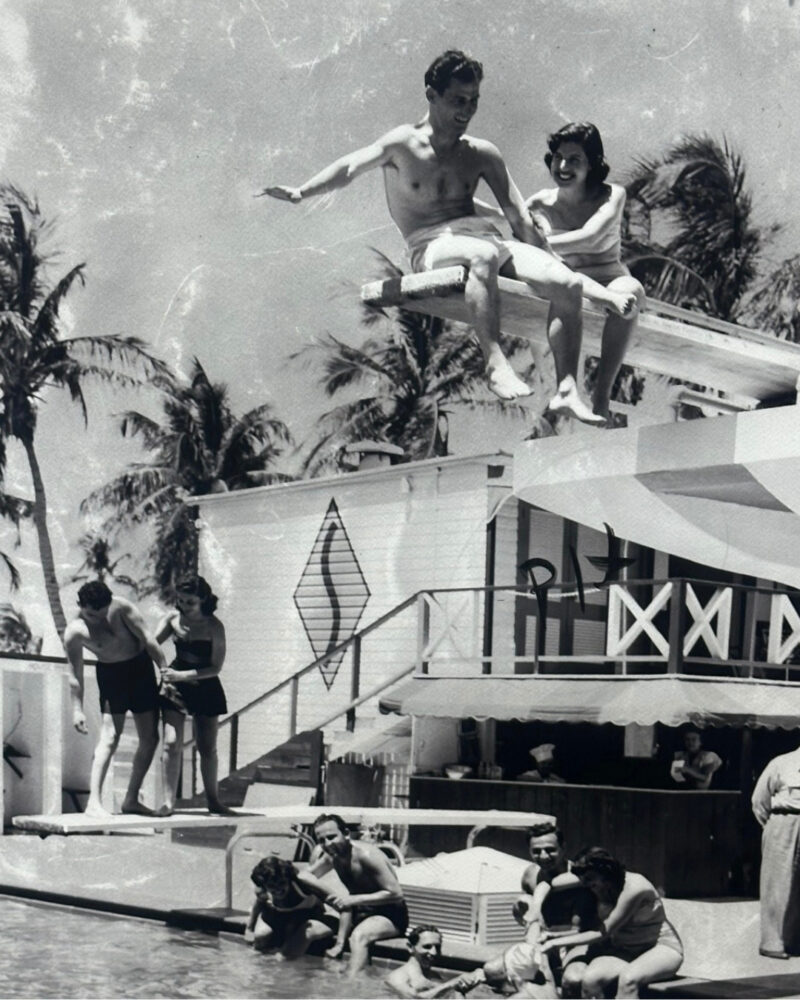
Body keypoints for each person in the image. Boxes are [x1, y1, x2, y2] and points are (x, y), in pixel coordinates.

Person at [261, 50, 635, 422]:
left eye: (474, 101)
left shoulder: (482, 153)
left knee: (566, 282)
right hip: (432, 243)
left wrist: (558, 264)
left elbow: (519, 219)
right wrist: (301, 192)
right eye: (458, 100)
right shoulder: (402, 144)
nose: (467, 110)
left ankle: (567, 389)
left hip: (490, 241)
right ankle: (494, 364)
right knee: (481, 256)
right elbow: (350, 166)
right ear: (431, 94)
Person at [526, 122, 646, 421]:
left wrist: (542, 242)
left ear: (592, 164)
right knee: (565, 284)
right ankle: (567, 390)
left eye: (574, 159)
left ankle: (602, 392)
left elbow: (590, 237)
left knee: (631, 292)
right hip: (569, 281)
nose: (563, 166)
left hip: (609, 276)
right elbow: (520, 243)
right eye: (558, 157)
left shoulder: (611, 194)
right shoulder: (538, 203)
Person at [64, 580, 165, 816]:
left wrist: (164, 670)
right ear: (80, 605)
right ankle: (94, 803)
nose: (98, 619)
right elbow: (74, 675)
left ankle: (131, 800)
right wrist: (77, 709)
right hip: (112, 677)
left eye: (101, 613)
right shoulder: (75, 632)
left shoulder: (121, 608)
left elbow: (148, 638)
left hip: (140, 670)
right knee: (110, 737)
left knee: (150, 738)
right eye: (91, 614)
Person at [543, 848, 682, 999]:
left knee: (628, 980)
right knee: (590, 980)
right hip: (624, 950)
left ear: (606, 873)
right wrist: (536, 908)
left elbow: (603, 931)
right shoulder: (592, 879)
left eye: (590, 880)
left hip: (659, 949)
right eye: (584, 881)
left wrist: (555, 943)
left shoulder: (635, 887)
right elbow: (551, 884)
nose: (587, 885)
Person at [297, 812, 409, 976]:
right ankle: (293, 974)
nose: (328, 844)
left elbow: (396, 893)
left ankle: (352, 986)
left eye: (332, 837)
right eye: (322, 840)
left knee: (358, 937)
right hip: (357, 912)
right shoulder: (332, 856)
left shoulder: (367, 856)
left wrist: (352, 899)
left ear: (346, 834)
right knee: (308, 931)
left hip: (390, 916)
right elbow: (307, 875)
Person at [155, 576, 232, 815]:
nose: (184, 606)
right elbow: (150, 644)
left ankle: (213, 800)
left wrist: (182, 676)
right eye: (180, 600)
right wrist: (163, 666)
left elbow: (215, 667)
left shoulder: (214, 626)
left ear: (203, 600)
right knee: (170, 743)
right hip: (176, 686)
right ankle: (169, 803)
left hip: (205, 684)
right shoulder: (172, 619)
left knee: (207, 747)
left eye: (190, 602)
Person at [751, 745, 800, 958]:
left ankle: (795, 941)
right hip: (784, 822)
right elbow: (759, 801)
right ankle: (772, 943)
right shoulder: (781, 762)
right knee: (778, 883)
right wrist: (774, 828)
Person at [244, 856, 336, 958]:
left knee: (286, 951)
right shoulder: (262, 888)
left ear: (288, 878)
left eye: (282, 883)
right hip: (277, 914)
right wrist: (250, 928)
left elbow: (339, 902)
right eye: (272, 886)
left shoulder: (302, 882)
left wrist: (340, 942)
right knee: (261, 937)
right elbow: (259, 904)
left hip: (307, 913)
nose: (278, 890)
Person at [385, 924, 472, 998]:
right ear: (410, 947)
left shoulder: (435, 977)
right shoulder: (398, 977)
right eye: (427, 947)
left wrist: (460, 990)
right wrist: (452, 983)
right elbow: (414, 998)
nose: (434, 953)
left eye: (437, 947)